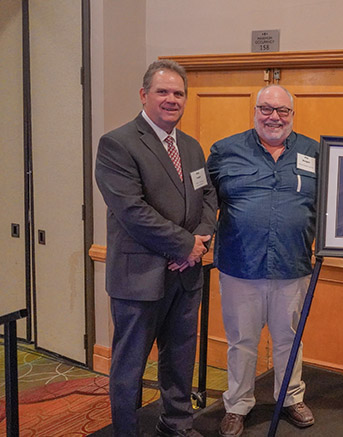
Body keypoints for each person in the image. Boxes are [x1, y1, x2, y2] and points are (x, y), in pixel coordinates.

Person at [95, 59, 217, 437]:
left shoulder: (192, 147)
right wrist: (185, 246)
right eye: (162, 91)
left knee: (179, 359)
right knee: (129, 367)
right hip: (140, 279)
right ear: (144, 95)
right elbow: (132, 211)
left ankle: (177, 425)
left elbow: (209, 197)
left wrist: (199, 242)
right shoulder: (118, 143)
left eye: (178, 93)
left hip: (186, 278)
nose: (171, 99)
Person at [207, 85, 318, 437]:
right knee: (242, 341)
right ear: (255, 111)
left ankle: (290, 397)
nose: (274, 117)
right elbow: (203, 203)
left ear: (292, 115)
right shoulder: (225, 151)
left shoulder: (315, 152)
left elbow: (334, 201)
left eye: (283, 111)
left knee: (289, 338)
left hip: (292, 263)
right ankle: (237, 404)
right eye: (267, 109)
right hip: (240, 266)